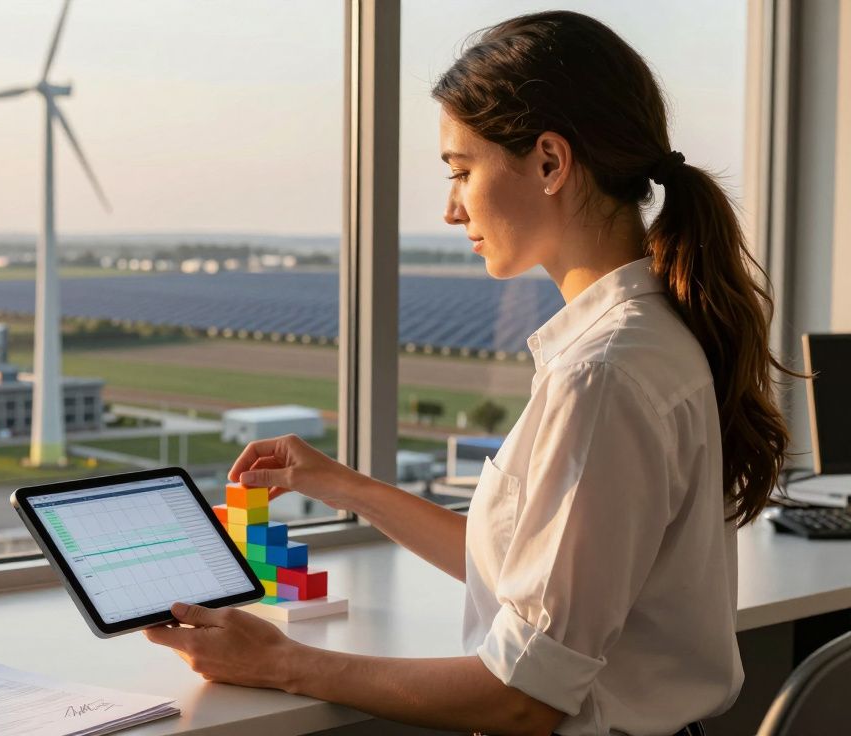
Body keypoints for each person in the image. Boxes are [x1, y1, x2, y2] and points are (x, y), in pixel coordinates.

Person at [144, 11, 795, 736]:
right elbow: (526, 571)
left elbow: (525, 697)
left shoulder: (604, 375)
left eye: (462, 171)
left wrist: (280, 661)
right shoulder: (646, 339)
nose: (452, 208)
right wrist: (341, 485)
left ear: (550, 162)